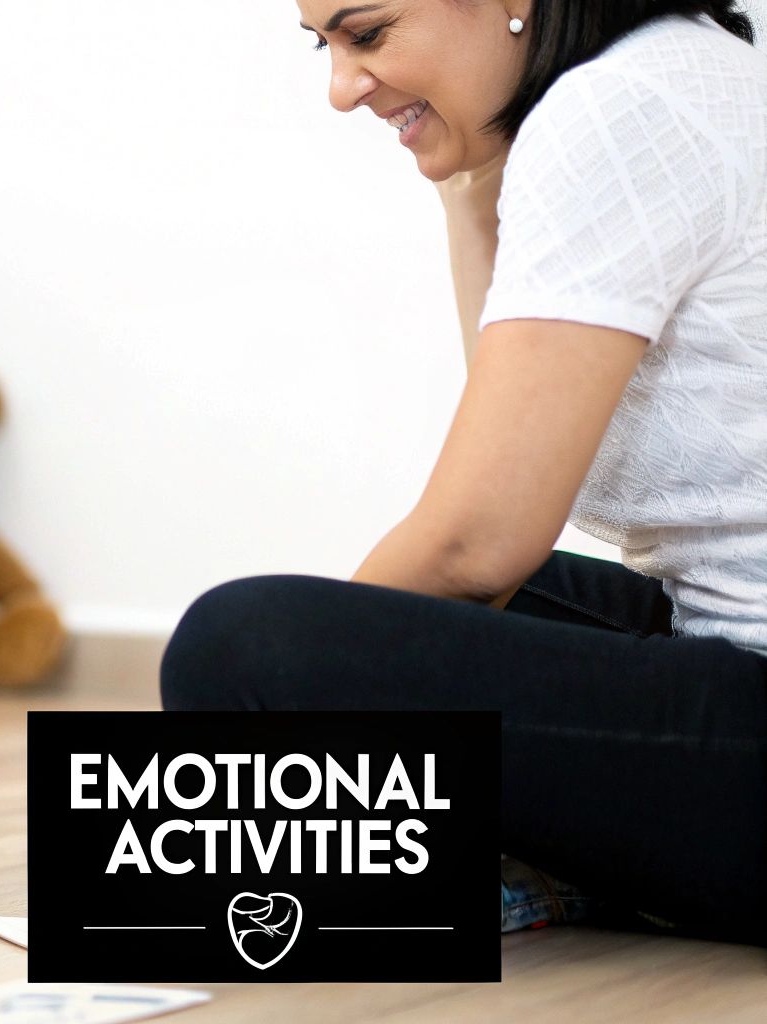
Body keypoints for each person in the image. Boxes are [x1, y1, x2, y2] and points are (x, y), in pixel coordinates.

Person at [161, 1, 767, 945]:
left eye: (367, 35)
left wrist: (279, 732)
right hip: (723, 641)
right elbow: (510, 454)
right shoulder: (688, 66)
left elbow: (480, 539)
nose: (339, 88)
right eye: (324, 46)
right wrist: (471, 181)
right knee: (471, 607)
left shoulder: (619, 105)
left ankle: (534, 862)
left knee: (244, 646)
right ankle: (570, 859)